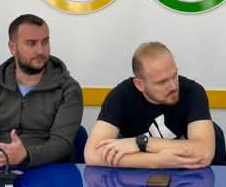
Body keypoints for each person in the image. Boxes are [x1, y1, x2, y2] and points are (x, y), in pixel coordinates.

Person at [0, 14, 82, 169]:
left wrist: (25, 156)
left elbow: (62, 144)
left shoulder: (68, 89)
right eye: (31, 43)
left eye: (45, 42)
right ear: (13, 48)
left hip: (47, 171)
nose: (41, 50)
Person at [85, 42, 217, 169]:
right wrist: (157, 161)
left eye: (174, 75)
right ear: (140, 85)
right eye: (162, 82)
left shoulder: (193, 91)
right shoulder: (121, 95)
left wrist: (142, 143)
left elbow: (204, 152)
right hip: (137, 179)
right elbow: (92, 154)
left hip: (190, 178)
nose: (173, 86)